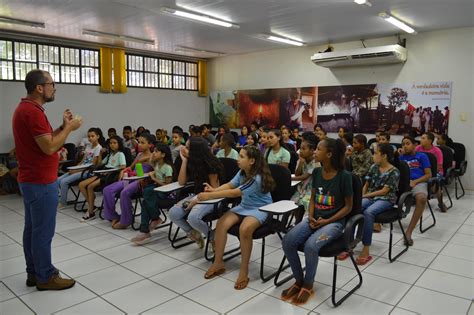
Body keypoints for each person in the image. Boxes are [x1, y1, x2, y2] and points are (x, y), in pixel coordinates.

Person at [12, 69, 82, 290]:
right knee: (42, 231)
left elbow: (48, 139)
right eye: (52, 84)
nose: (54, 88)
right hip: (40, 181)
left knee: (32, 229)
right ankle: (45, 276)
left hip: (32, 179)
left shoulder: (28, 109)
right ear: (40, 87)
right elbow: (50, 146)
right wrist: (70, 128)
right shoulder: (32, 112)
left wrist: (62, 127)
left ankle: (34, 272)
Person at [281, 138, 353, 305]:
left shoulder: (345, 177)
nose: (315, 152)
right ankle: (298, 280)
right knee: (288, 241)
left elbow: (348, 207)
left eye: (318, 149)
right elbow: (312, 198)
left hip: (334, 223)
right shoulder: (317, 172)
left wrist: (326, 220)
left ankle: (308, 284)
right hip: (314, 219)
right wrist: (311, 215)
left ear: (329, 154)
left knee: (311, 246)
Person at [202, 145, 275, 290]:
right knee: (222, 223)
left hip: (260, 208)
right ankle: (218, 262)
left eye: (242, 157)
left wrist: (209, 195)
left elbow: (235, 193)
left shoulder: (257, 178)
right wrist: (214, 189)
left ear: (252, 161)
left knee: (245, 229)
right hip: (245, 206)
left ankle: (244, 270)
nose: (238, 159)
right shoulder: (242, 172)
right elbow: (230, 185)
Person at [342, 143, 400, 265]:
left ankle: (366, 247)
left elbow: (385, 191)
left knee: (369, 213)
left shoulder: (394, 172)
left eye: (375, 153)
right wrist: (360, 198)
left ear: (384, 156)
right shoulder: (374, 167)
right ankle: (349, 243)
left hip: (386, 199)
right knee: (355, 207)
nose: (373, 156)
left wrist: (365, 196)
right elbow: (366, 185)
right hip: (371, 196)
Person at [168, 137, 223, 248]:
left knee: (193, 217)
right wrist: (184, 161)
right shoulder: (192, 162)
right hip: (196, 196)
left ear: (196, 151)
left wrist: (196, 201)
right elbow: (181, 182)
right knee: (173, 213)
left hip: (212, 198)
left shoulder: (211, 165)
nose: (183, 148)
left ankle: (212, 237)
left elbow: (215, 192)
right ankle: (193, 233)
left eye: (187, 148)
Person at [102, 133, 154, 229]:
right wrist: (124, 170)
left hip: (141, 181)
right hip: (131, 177)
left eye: (143, 143)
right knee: (107, 190)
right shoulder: (139, 154)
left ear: (150, 145)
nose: (140, 145)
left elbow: (155, 171)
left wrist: (145, 160)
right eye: (139, 142)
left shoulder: (153, 156)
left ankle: (126, 221)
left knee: (124, 192)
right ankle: (113, 216)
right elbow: (131, 167)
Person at [131, 144, 174, 245]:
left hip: (164, 192)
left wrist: (154, 178)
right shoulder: (157, 164)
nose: (153, 153)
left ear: (163, 154)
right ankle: (146, 228)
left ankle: (153, 221)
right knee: (145, 202)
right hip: (156, 189)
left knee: (147, 193)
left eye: (156, 151)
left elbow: (168, 185)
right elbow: (151, 162)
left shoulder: (167, 167)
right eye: (153, 151)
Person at [78, 136, 126, 221]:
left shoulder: (120, 154)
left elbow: (123, 167)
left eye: (115, 143)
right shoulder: (110, 154)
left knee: (90, 186)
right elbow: (100, 163)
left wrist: (110, 171)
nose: (112, 145)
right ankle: (92, 205)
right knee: (81, 185)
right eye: (111, 143)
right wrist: (100, 154)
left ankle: (91, 212)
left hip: (110, 175)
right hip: (103, 173)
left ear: (119, 144)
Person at [57, 127, 103, 209]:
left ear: (98, 136)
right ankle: (59, 199)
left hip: (88, 171)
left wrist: (77, 170)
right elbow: (83, 161)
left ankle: (63, 203)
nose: (90, 138)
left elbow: (92, 165)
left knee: (64, 182)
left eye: (92, 136)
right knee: (58, 180)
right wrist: (75, 168)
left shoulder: (98, 148)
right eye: (89, 136)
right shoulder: (88, 146)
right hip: (81, 169)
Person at [399, 136, 431, 246]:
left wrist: (415, 182)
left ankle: (408, 232)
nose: (405, 146)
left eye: (407, 143)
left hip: (418, 182)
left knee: (422, 199)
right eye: (403, 144)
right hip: (403, 183)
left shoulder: (422, 156)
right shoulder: (401, 158)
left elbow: (428, 175)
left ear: (414, 145)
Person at [416, 132, 448, 212]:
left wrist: (429, 173)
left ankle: (440, 202)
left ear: (430, 141)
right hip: (422, 172)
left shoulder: (437, 151)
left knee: (434, 182)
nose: (421, 140)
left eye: (423, 138)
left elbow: (439, 166)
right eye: (421, 138)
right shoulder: (418, 148)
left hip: (436, 172)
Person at [291, 134, 320, 216]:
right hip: (301, 188)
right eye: (300, 148)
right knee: (293, 203)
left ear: (312, 151)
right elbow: (297, 174)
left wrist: (289, 179)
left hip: (311, 189)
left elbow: (305, 176)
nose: (301, 151)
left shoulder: (316, 162)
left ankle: (305, 220)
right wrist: (300, 162)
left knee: (304, 202)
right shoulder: (301, 160)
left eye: (304, 149)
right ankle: (297, 221)